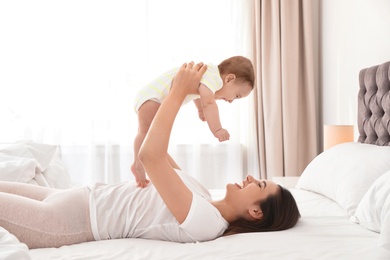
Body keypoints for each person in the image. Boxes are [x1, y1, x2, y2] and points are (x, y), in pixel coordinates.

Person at [0, 62, 300, 249]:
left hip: (63, 221)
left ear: (256, 213)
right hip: (72, 196)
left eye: (257, 184)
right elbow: (158, 150)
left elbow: (151, 157)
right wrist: (170, 99)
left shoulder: (206, 223)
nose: (249, 177)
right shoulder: (203, 195)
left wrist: (177, 94)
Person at [132, 56, 255, 187]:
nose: (231, 101)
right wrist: (217, 129)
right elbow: (208, 102)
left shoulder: (209, 77)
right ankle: (138, 164)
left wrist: (200, 110)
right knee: (145, 133)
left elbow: (197, 95)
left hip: (150, 96)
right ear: (229, 79)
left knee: (148, 134)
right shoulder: (213, 78)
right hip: (153, 97)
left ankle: (140, 164)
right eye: (236, 96)